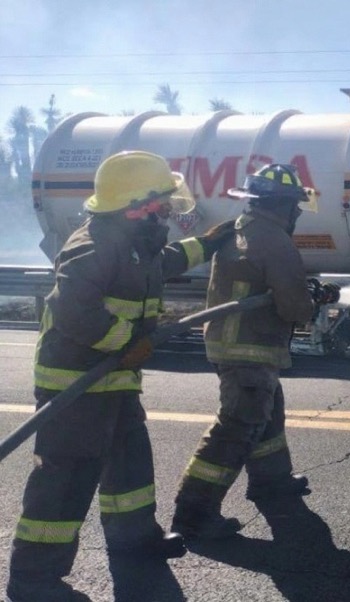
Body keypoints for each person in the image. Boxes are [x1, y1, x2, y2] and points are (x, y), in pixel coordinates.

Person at [7, 150, 237, 602]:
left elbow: (165, 261)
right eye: (163, 203)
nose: (169, 211)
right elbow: (72, 309)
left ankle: (134, 542)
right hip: (75, 387)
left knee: (130, 468)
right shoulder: (92, 245)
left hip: (114, 382)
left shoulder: (136, 243)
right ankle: (33, 581)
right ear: (140, 205)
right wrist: (125, 344)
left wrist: (209, 243)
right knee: (65, 481)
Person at [170, 164, 339, 540]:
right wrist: (313, 298)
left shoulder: (243, 227)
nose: (297, 213)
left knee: (268, 417)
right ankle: (193, 514)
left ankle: (272, 482)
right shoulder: (274, 239)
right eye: (294, 206)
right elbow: (294, 307)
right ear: (281, 205)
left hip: (238, 345)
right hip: (248, 349)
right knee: (238, 427)